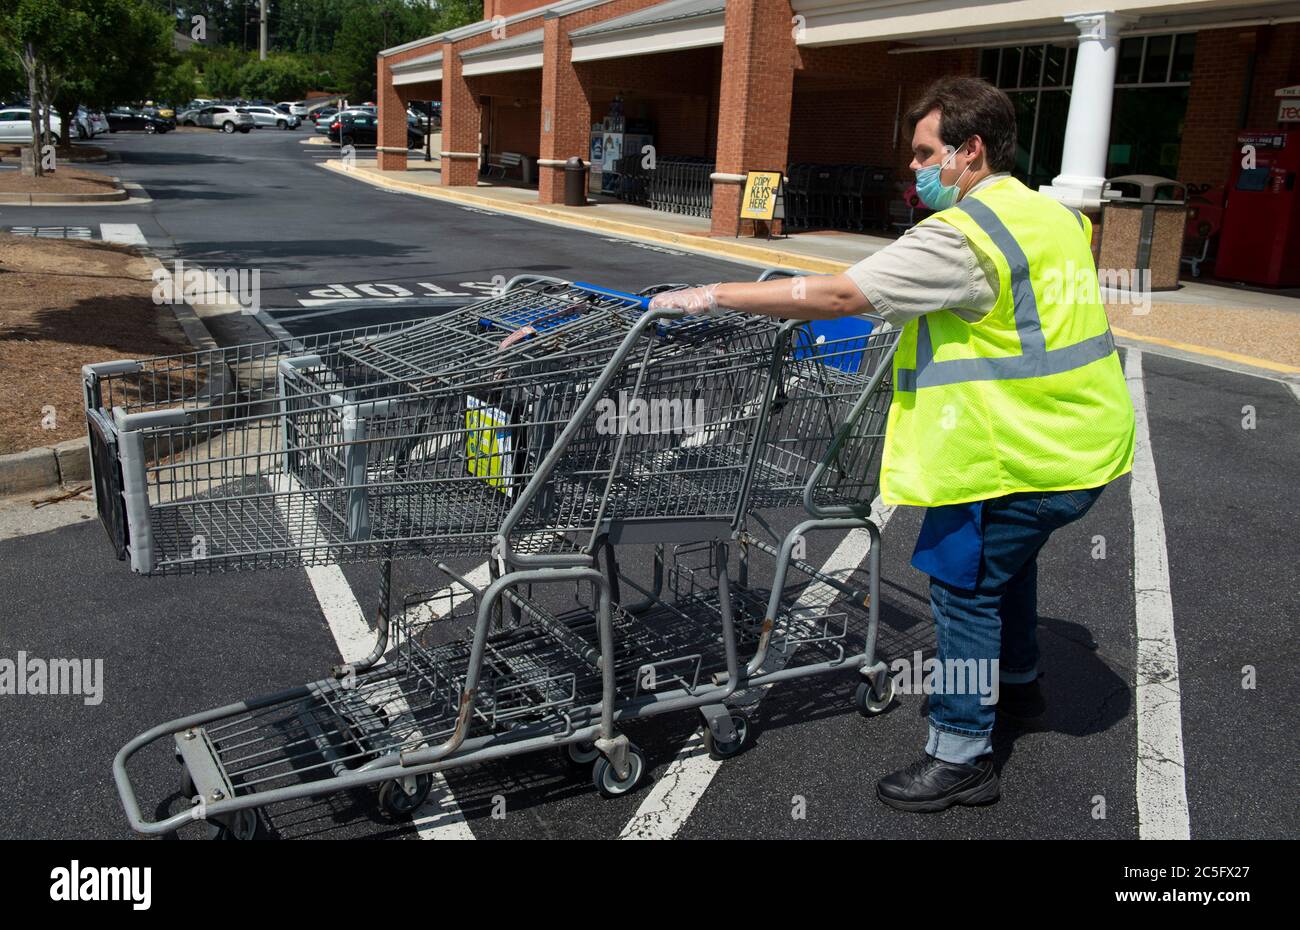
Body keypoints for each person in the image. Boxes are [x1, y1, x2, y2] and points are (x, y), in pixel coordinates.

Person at [648, 76, 1135, 813]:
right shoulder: (1051, 215)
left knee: (964, 588)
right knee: (1009, 566)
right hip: (1079, 440)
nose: (913, 167)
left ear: (970, 151)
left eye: (923, 153)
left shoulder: (964, 236)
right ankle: (1022, 688)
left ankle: (962, 753)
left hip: (1016, 451)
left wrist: (715, 293)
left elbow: (843, 295)